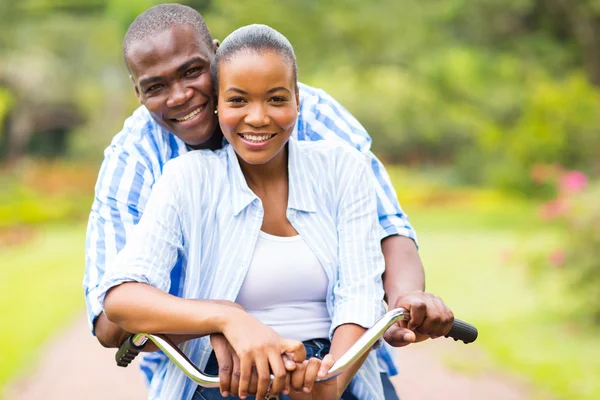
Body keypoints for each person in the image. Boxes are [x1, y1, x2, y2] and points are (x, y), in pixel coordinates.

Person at [83, 4, 453, 400]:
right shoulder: (150, 164)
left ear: (215, 57)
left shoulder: (326, 136)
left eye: (192, 71)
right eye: (156, 86)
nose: (181, 96)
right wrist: (222, 324)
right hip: (208, 373)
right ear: (138, 93)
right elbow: (110, 318)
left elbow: (385, 231)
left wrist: (401, 306)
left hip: (337, 361)